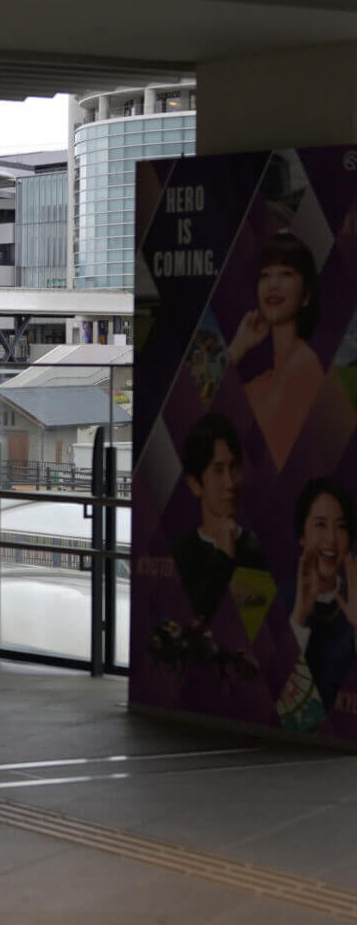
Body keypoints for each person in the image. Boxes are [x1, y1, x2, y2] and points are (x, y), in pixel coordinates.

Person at [225, 232, 322, 468]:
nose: (273, 284)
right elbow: (201, 408)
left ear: (306, 295)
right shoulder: (265, 381)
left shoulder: (304, 367)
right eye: (265, 275)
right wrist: (239, 346)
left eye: (286, 274)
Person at [171, 413, 266, 622]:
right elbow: (193, 621)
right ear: (195, 484)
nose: (230, 483)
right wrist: (223, 556)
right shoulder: (179, 554)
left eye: (234, 468)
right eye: (218, 470)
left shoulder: (259, 548)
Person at [287, 477, 357, 711]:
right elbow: (266, 693)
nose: (331, 539)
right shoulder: (276, 600)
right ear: (302, 535)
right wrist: (298, 617)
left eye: (341, 526)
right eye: (320, 524)